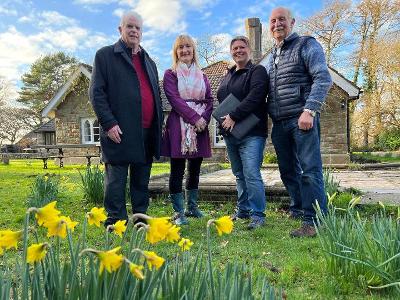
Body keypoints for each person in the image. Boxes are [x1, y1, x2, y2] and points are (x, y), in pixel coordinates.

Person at [262, 7, 332, 237]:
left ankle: (314, 221)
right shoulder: (272, 55)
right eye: (273, 21)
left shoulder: (306, 45)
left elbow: (322, 77)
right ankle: (300, 209)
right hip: (279, 123)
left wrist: (309, 110)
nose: (277, 24)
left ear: (292, 22)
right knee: (287, 171)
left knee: (310, 171)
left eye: (281, 19)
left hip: (302, 119)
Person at [89, 11, 163, 227]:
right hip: (119, 129)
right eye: (129, 26)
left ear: (141, 32)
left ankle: (140, 219)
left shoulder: (148, 60)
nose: (134, 31)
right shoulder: (105, 55)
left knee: (141, 178)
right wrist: (109, 123)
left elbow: (155, 95)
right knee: (116, 180)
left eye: (137, 28)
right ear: (120, 29)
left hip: (147, 131)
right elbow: (96, 93)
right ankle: (116, 222)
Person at [216, 36, 269, 230]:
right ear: (231, 52)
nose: (238, 50)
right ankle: (244, 210)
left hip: (252, 133)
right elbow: (222, 98)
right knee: (239, 174)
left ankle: (258, 214)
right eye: (235, 48)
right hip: (231, 133)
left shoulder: (257, 71)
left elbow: (256, 96)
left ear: (249, 50)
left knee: (251, 173)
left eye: (242, 47)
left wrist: (234, 116)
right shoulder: (228, 74)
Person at [161, 34, 213, 225]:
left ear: (193, 50)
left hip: (200, 127)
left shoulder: (203, 75)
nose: (184, 50)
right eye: (180, 47)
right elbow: (174, 99)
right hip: (179, 125)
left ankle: (192, 207)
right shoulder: (170, 74)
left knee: (195, 169)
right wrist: (194, 118)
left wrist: (204, 119)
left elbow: (209, 100)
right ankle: (178, 212)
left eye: (188, 46)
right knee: (177, 169)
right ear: (176, 52)